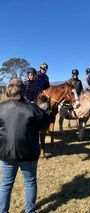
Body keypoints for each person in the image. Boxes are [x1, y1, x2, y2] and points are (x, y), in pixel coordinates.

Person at [0, 78, 50, 213]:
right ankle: (30, 211)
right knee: (30, 182)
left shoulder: (1, 107)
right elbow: (45, 123)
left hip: (6, 153)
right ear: (24, 91)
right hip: (29, 153)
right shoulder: (33, 108)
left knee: (6, 184)